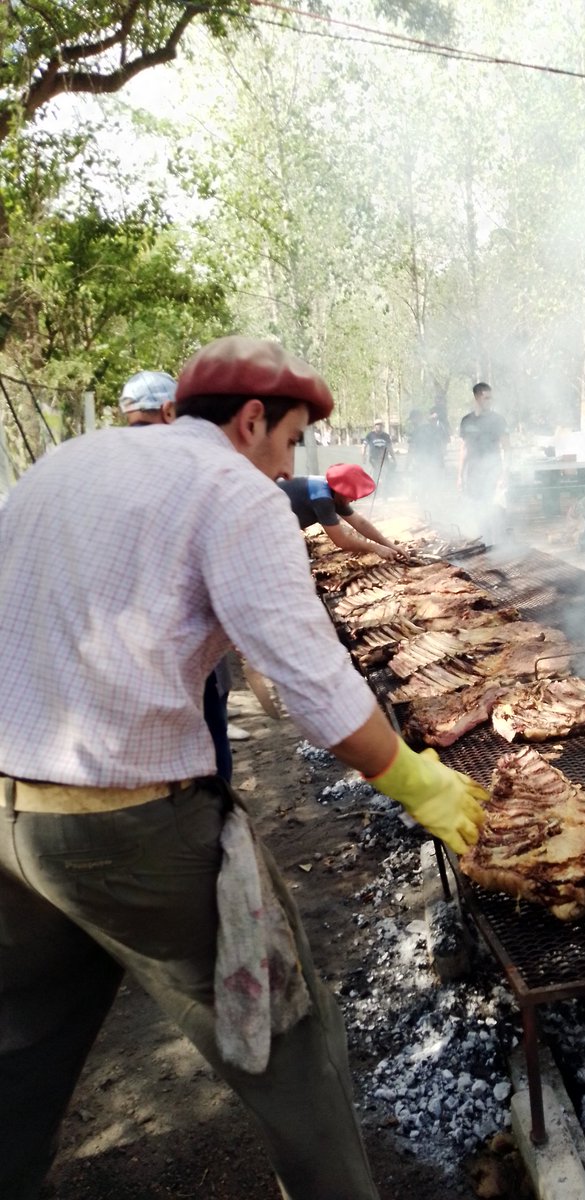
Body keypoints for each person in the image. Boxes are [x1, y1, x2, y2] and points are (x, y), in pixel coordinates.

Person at [0, 334, 486, 1200]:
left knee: (19, 1052)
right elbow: (311, 678)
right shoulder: (233, 488)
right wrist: (417, 780)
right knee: (286, 1045)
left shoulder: (66, 464)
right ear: (254, 419)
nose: (290, 462)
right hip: (132, 828)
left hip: (10, 820)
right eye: (294, 440)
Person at [118, 369, 240, 779]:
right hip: (168, 640)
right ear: (170, 412)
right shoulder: (189, 471)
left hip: (140, 644)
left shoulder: (106, 466)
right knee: (206, 733)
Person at [278, 463, 404, 560]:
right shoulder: (322, 498)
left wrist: (389, 545)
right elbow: (341, 541)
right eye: (351, 495)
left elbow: (361, 523)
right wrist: (375, 548)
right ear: (341, 491)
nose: (354, 499)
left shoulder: (333, 492)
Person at [457, 381, 509, 504]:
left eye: (491, 398)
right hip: (473, 474)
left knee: (493, 511)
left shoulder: (498, 420)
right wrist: (459, 476)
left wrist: (504, 474)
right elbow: (464, 448)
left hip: (493, 473)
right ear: (477, 398)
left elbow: (507, 449)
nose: (489, 402)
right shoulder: (466, 421)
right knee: (474, 509)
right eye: (486, 398)